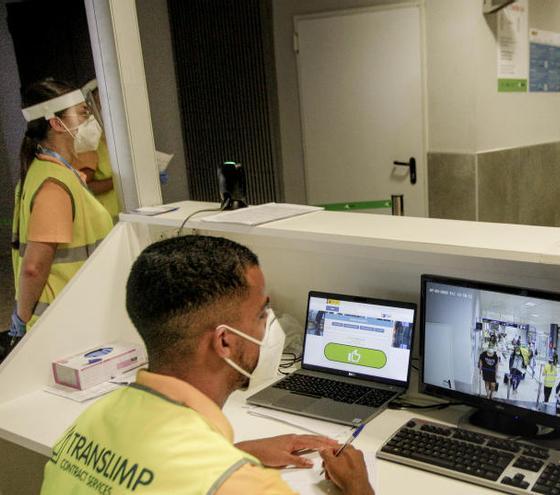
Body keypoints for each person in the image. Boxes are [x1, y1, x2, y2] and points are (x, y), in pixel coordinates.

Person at [40, 235, 374, 494]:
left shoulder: (91, 420)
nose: (269, 325)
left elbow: (153, 472)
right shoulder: (243, 486)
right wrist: (358, 486)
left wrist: (237, 452)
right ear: (225, 342)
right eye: (261, 314)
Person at [9, 79, 113, 344]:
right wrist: (21, 318)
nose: (89, 121)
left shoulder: (47, 172)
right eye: (82, 113)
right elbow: (34, 267)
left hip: (70, 316)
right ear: (56, 123)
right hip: (63, 321)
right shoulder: (54, 185)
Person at [76, 80, 121, 221]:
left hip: (130, 210)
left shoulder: (119, 136)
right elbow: (84, 187)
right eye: (103, 102)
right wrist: (119, 182)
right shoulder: (89, 140)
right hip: (105, 218)